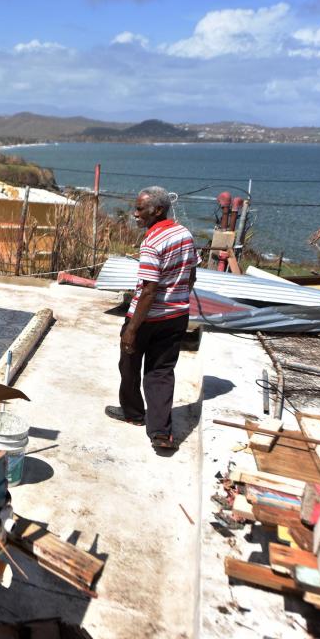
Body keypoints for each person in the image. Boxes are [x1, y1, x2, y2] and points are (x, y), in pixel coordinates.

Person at [105, 186, 198, 450]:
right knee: (161, 372)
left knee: (130, 364)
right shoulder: (185, 234)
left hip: (147, 319)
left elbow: (148, 289)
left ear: (157, 210)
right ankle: (160, 433)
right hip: (177, 316)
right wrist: (175, 300)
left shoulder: (152, 241)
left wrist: (132, 329)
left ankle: (134, 413)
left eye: (139, 209)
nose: (135, 214)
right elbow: (191, 275)